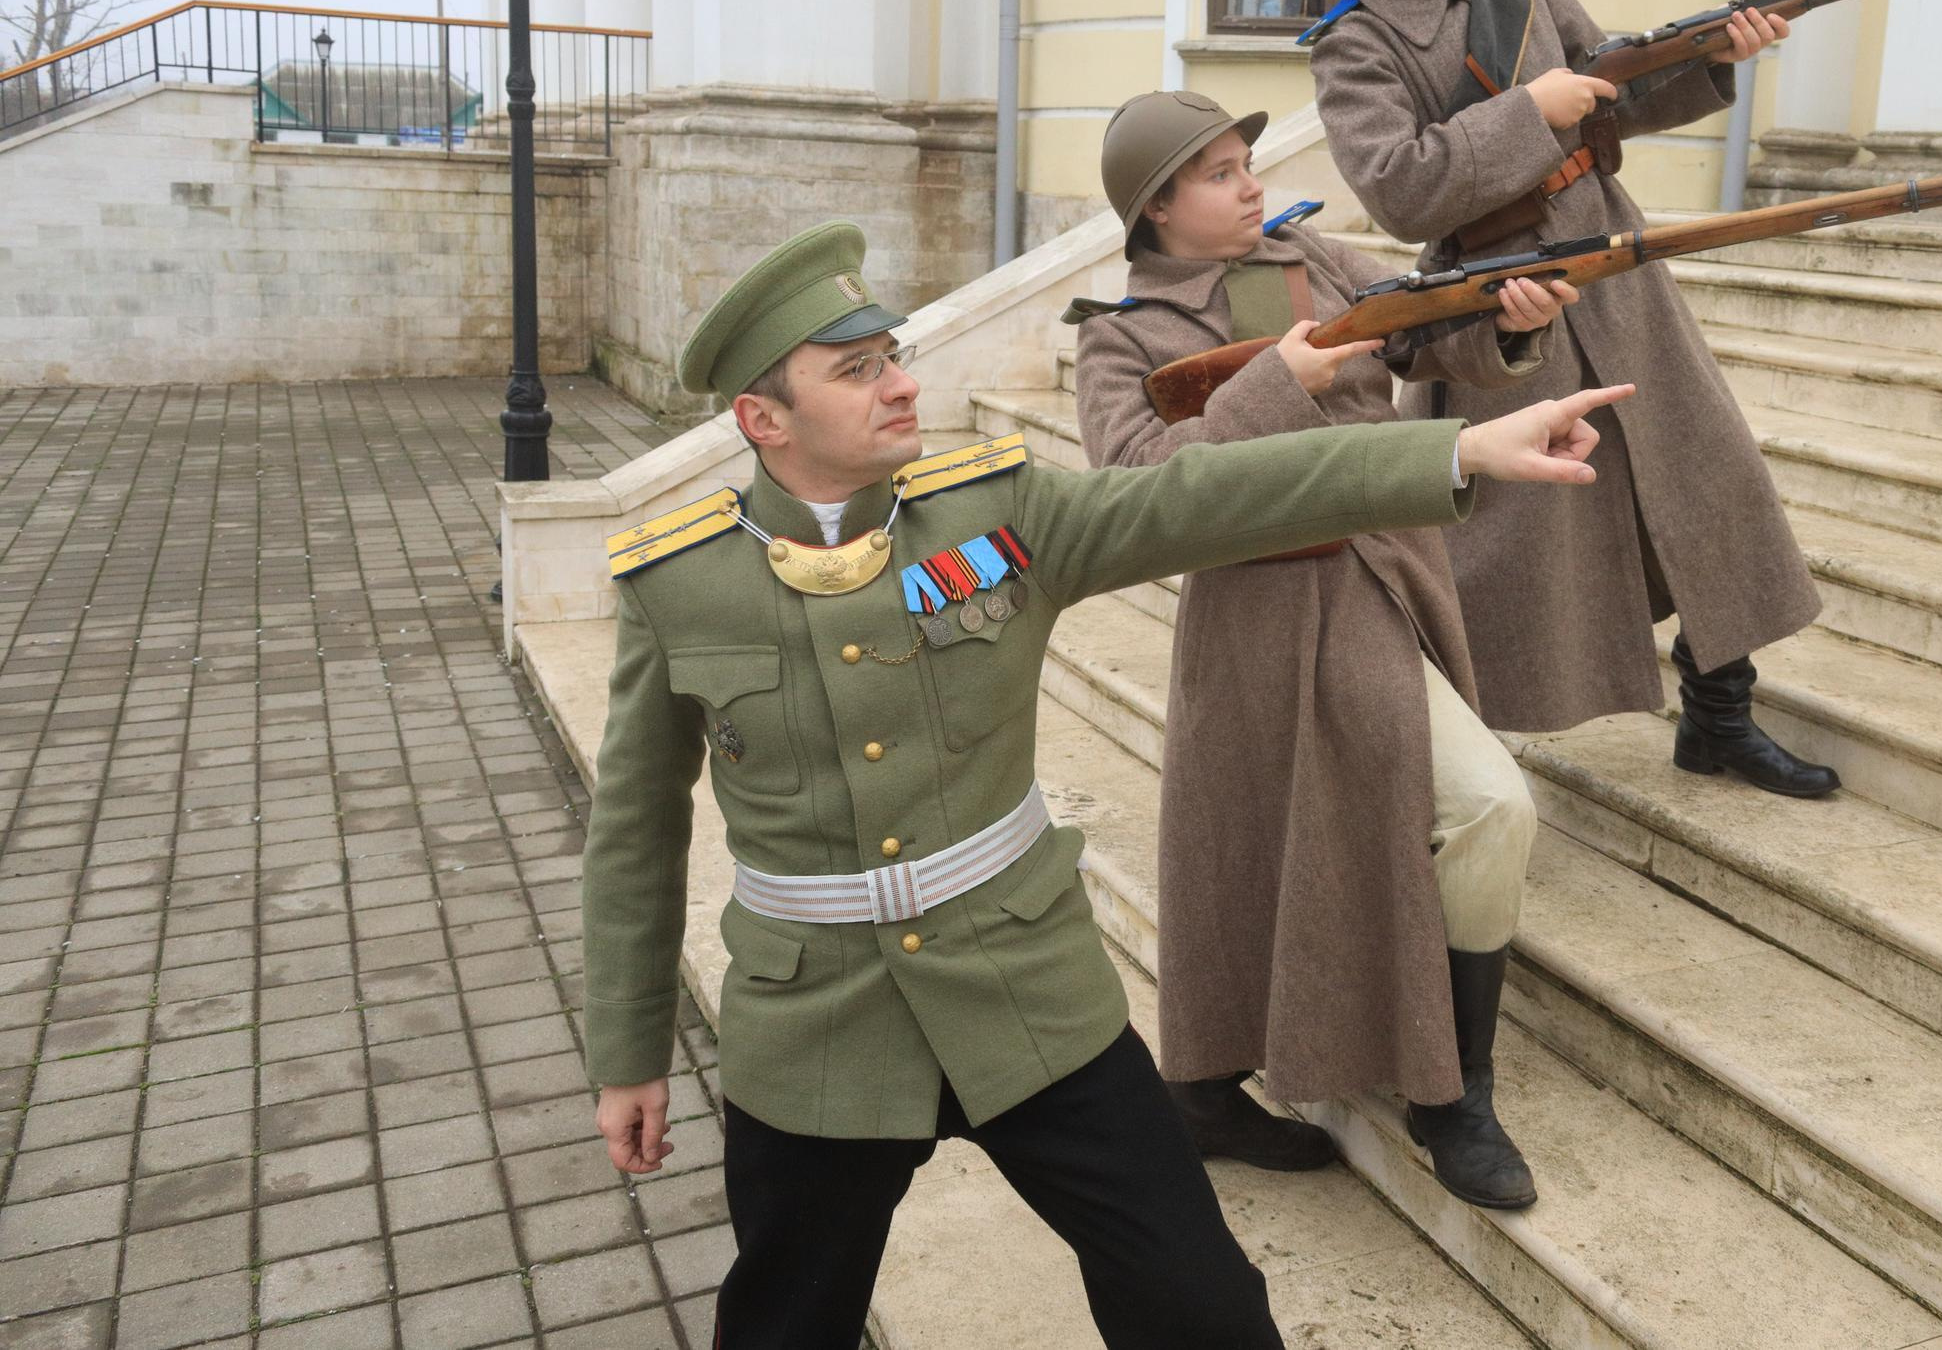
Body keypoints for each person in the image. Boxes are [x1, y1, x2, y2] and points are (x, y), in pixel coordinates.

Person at [581, 219, 1633, 1348]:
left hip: (1028, 991)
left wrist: (1456, 456)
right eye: (858, 371)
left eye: (891, 356)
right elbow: (635, 831)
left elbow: (1208, 495)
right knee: (788, 1324)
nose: (901, 385)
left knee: (1204, 1306)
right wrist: (628, 1052)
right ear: (761, 420)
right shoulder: (678, 583)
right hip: (815, 1027)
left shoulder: (1001, 511)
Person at [1070, 89, 1575, 1209]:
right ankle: (1204, 1088)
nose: (1249, 181)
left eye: (1244, 159)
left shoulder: (1320, 257)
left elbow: (1437, 335)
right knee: (1253, 852)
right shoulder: (1117, 332)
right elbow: (1129, 494)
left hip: (1382, 572)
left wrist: (1512, 322)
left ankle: (1453, 1092)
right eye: (1215, 171)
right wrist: (1270, 386)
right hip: (1258, 612)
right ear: (1155, 209)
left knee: (1479, 806)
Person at [1304, 0, 1840, 798]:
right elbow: (1401, 186)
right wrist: (1526, 114)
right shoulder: (1356, 43)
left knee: (1697, 472)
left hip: (1611, 254)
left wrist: (1714, 55)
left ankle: (1719, 717)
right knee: (1509, 545)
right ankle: (1445, 770)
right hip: (1498, 294)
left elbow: (1615, 89)